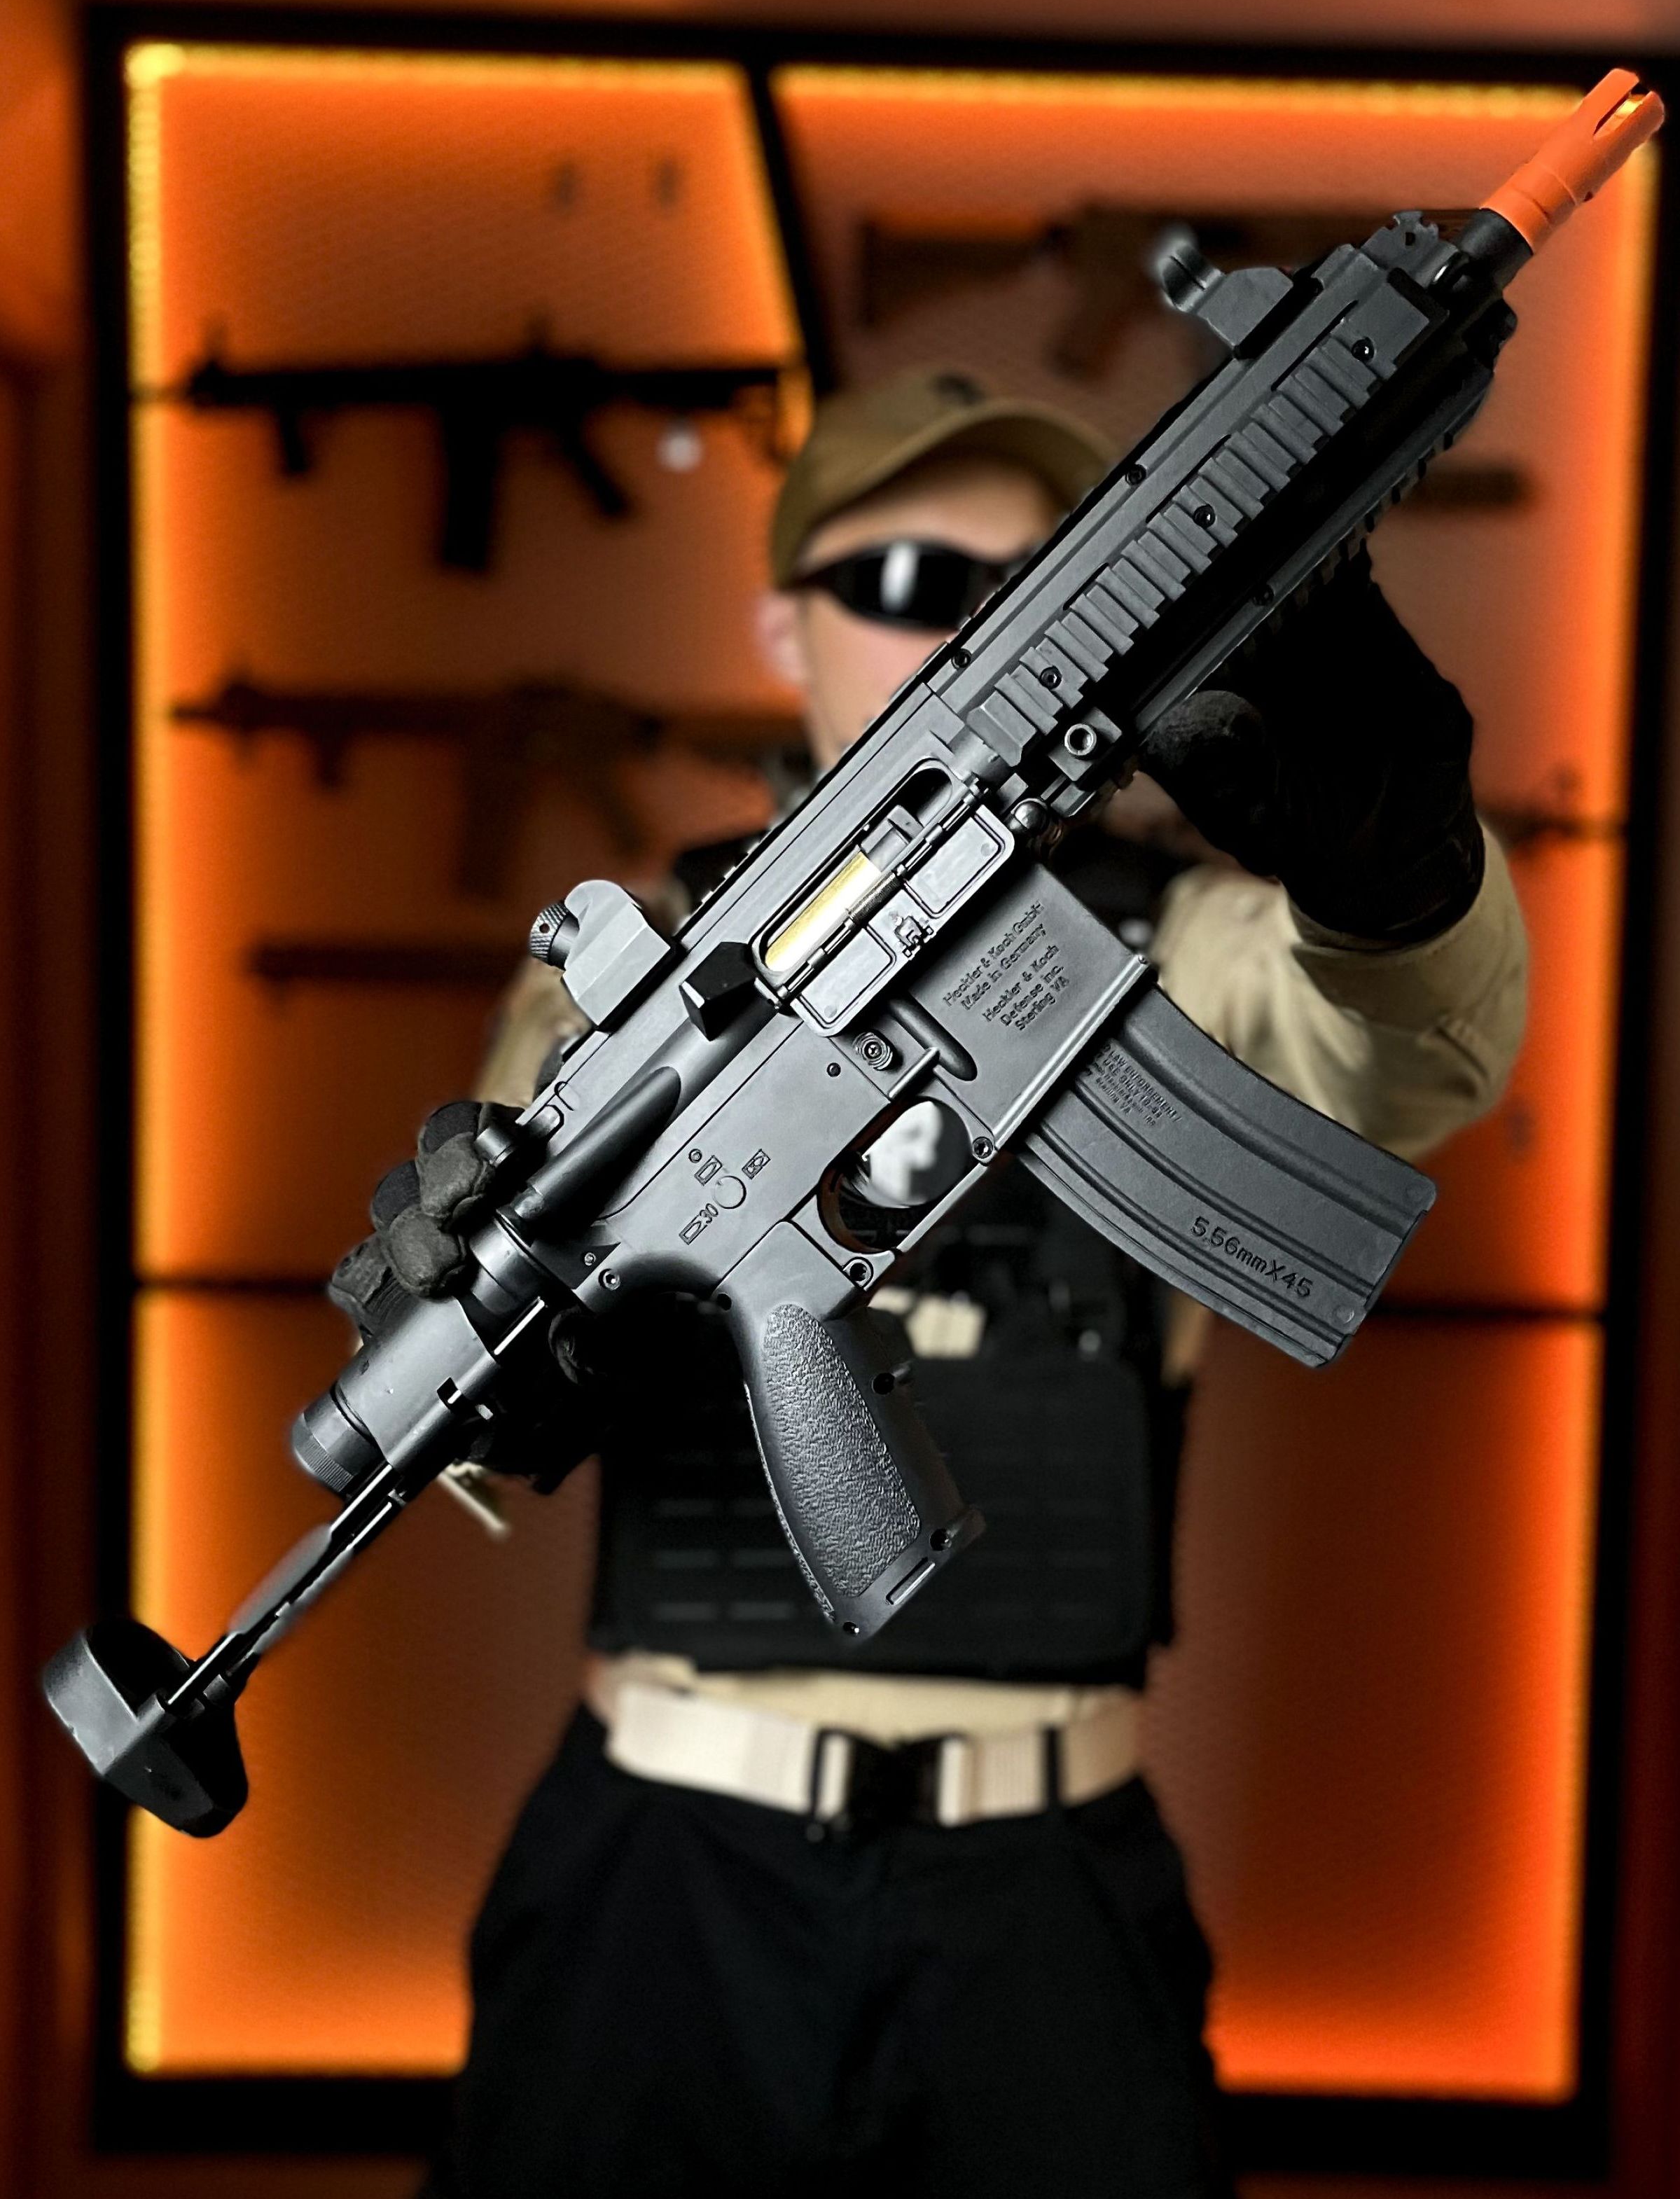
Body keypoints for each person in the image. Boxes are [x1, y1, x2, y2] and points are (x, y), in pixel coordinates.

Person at [366, 367, 1527, 2198]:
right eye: (899, 578)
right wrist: (481, 1303)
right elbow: (489, 1404)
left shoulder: (1175, 943)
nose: (947, 628)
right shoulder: (643, 983)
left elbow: (1417, 1057)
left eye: (1008, 585)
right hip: (669, 1881)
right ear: (779, 624)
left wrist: (1397, 871)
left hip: (1043, 1886)